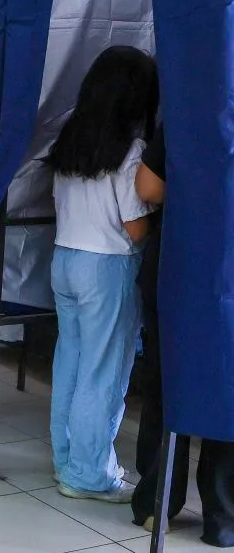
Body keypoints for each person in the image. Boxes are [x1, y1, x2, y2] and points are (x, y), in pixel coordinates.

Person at [44, 46, 159, 503]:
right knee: (103, 374)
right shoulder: (130, 152)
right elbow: (135, 228)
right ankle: (89, 475)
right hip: (106, 268)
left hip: (65, 260)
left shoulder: (69, 142)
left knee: (70, 366)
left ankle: (68, 461)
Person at [131, 124, 234, 547]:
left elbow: (147, 186)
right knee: (228, 387)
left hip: (180, 262)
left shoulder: (189, 110)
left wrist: (195, 191)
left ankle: (156, 505)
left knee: (166, 383)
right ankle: (223, 519)